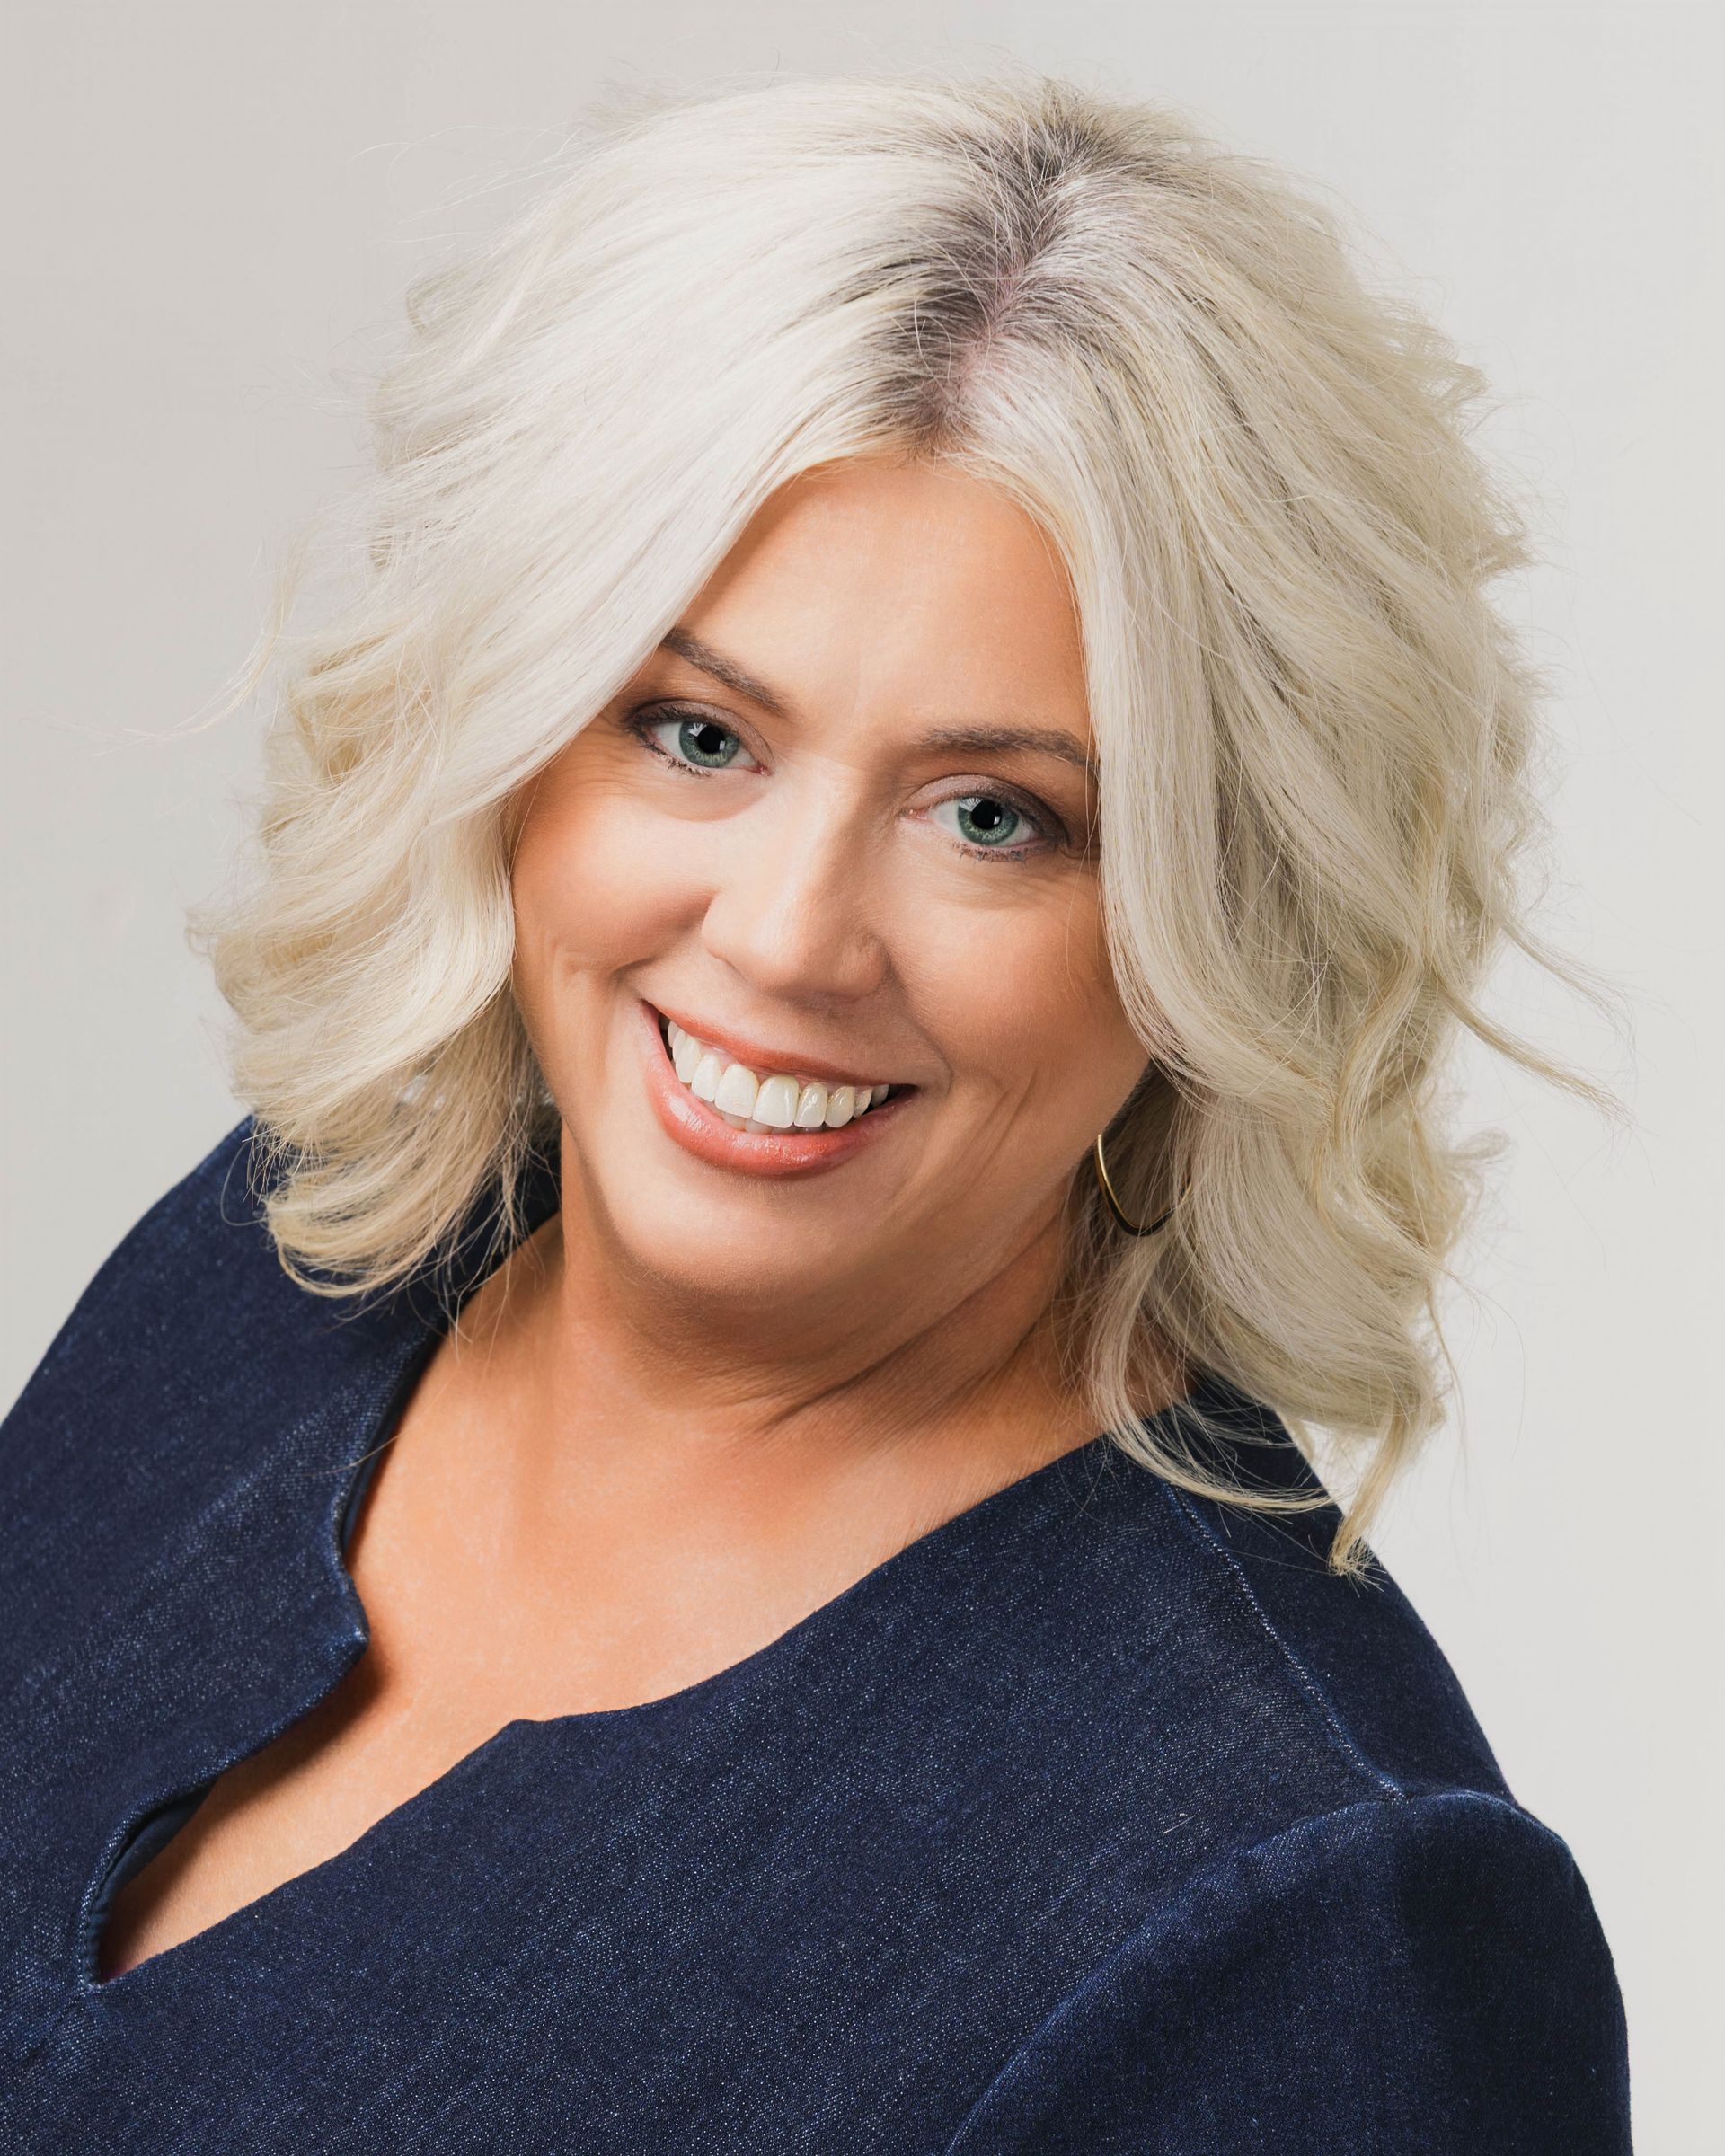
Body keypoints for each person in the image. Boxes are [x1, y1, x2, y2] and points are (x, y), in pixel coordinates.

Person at [0, 68, 1632, 2152]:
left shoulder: (1318, 1935)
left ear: (1220, 913)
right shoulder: (283, 1252)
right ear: (518, 734)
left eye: (993, 816)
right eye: (696, 731)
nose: (784, 938)